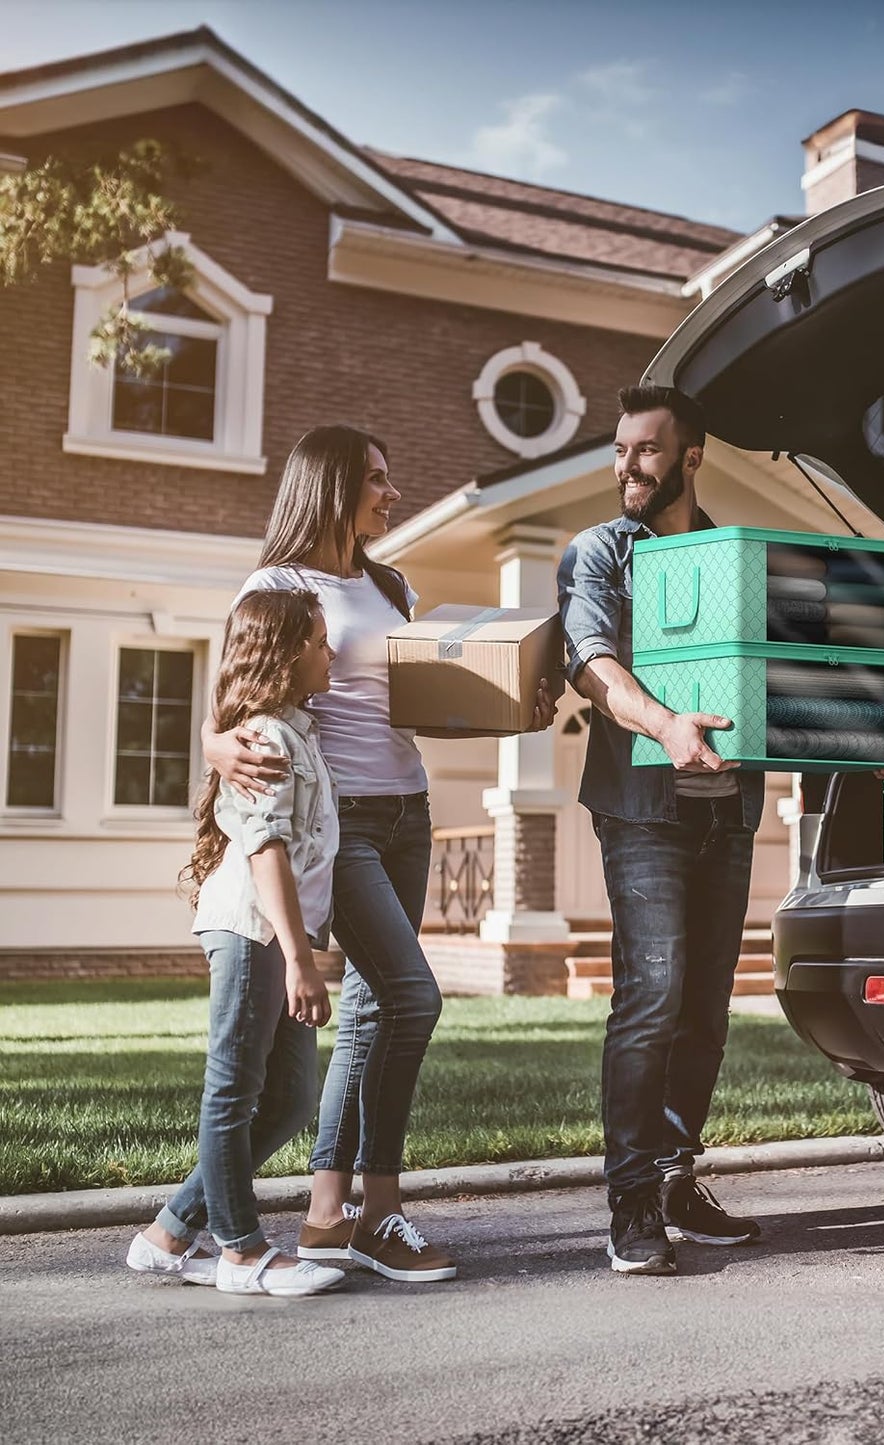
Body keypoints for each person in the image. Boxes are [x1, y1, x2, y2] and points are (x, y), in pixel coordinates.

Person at [204, 425, 555, 1283]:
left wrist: (514, 708)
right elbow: (237, 696)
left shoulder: (389, 582)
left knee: (370, 1009)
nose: (391, 494)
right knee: (412, 997)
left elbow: (404, 704)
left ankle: (330, 1213)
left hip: (408, 808)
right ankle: (379, 1208)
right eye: (376, 479)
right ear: (330, 485)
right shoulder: (277, 583)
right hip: (342, 820)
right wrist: (215, 749)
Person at [557, 384, 765, 1275]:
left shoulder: (734, 556)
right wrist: (666, 722)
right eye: (618, 450)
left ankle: (678, 1176)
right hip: (643, 813)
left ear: (689, 458)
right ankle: (631, 1198)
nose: (625, 467)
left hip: (730, 814)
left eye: (645, 450)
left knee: (705, 1010)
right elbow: (591, 659)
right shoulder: (601, 551)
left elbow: (778, 664)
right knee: (651, 998)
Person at [126, 589, 346, 1297]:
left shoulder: (296, 728)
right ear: (285, 654)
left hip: (275, 932)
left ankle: (167, 1233)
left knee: (287, 1100)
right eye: (319, 640)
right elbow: (265, 852)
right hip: (253, 928)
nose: (330, 651)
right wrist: (299, 957)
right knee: (234, 1091)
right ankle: (241, 1250)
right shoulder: (265, 739)